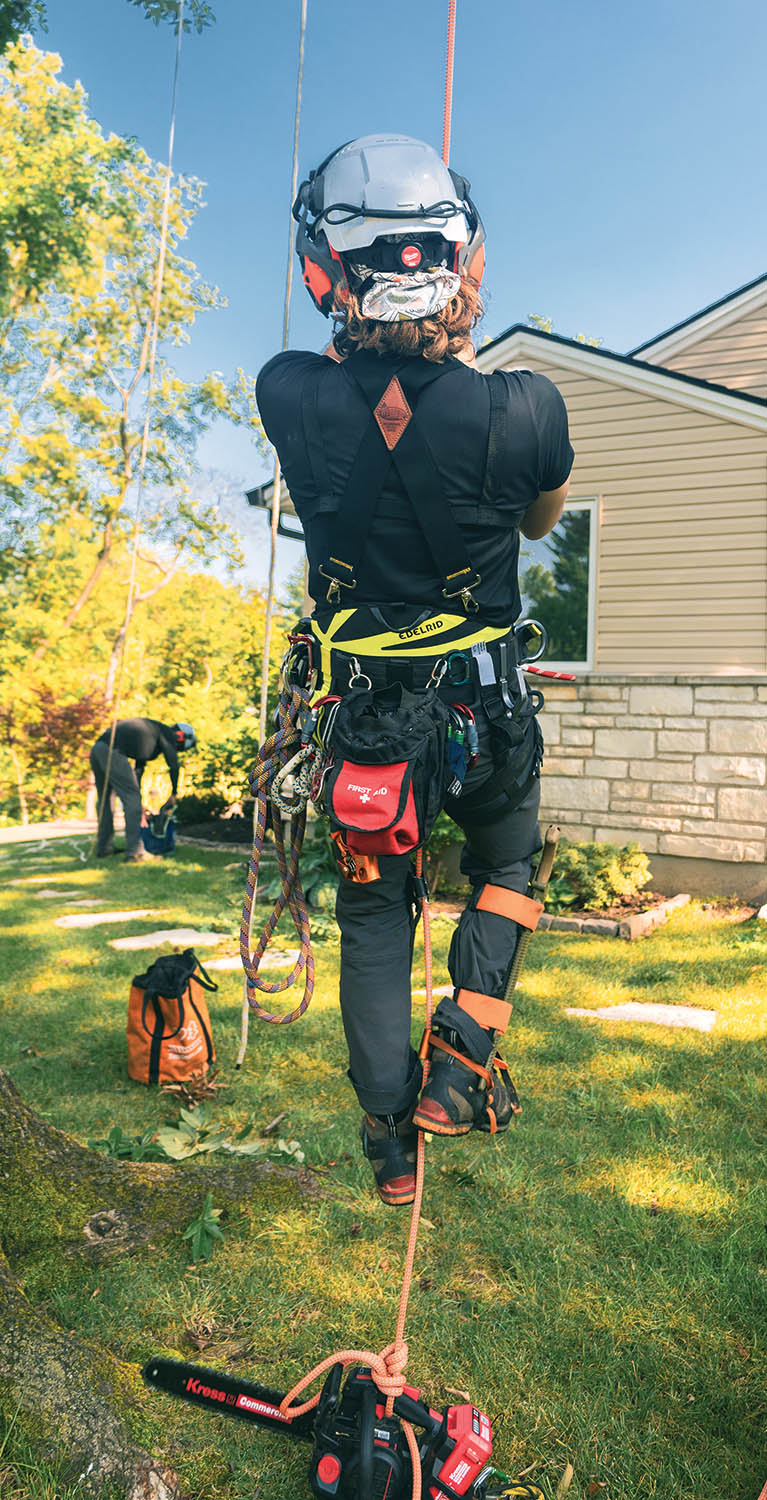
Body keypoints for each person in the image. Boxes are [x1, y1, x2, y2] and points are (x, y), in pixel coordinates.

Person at [256, 134, 573, 1206]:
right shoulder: (525, 407)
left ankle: (389, 1140)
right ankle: (459, 1061)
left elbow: (349, 395)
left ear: (327, 272)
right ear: (460, 259)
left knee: (374, 919)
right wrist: (462, 359)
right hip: (484, 713)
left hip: (362, 725)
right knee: (508, 871)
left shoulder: (288, 391)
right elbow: (538, 519)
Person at [89, 718, 196, 862]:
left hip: (98, 750)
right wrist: (174, 794)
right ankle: (135, 853)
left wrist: (138, 804)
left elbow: (138, 771)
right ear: (181, 737)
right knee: (129, 798)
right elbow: (174, 766)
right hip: (112, 751)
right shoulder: (167, 734)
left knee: (106, 799)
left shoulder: (150, 734)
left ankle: (105, 848)